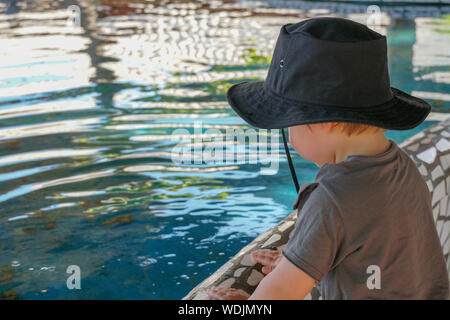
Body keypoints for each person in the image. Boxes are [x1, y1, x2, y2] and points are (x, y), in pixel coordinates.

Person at [206, 17, 449, 300]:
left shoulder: (332, 198)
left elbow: (280, 294)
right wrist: (301, 260)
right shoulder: (403, 168)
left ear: (327, 122)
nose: (287, 135)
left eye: (289, 123)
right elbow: (378, 257)